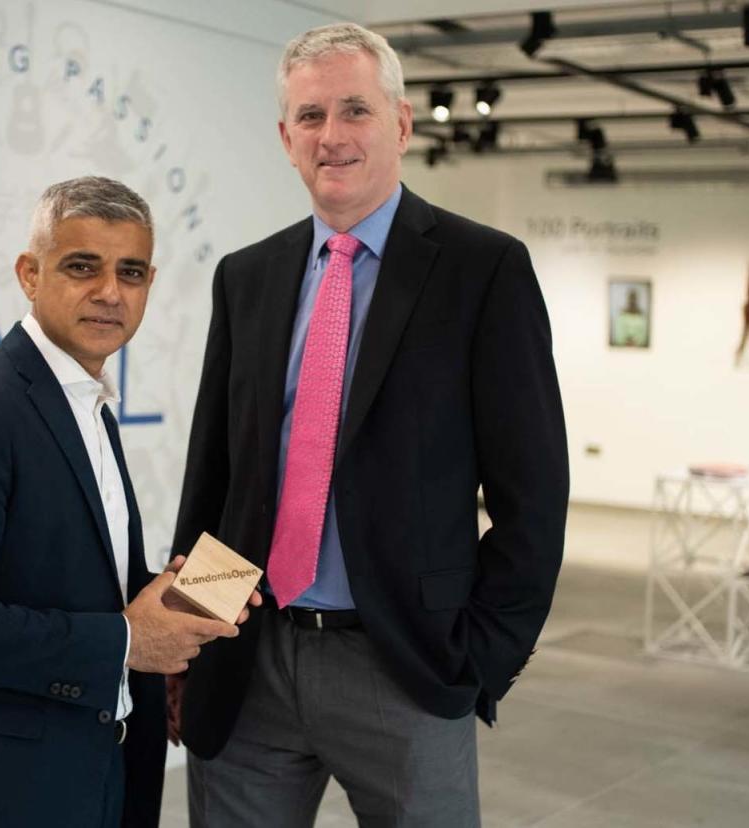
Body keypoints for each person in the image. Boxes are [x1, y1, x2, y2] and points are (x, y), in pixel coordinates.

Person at [169, 23, 570, 827]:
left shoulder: (482, 270)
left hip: (405, 667)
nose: (333, 136)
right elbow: (219, 479)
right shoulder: (246, 276)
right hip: (251, 659)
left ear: (402, 124)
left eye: (355, 110)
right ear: (286, 138)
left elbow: (535, 495)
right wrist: (194, 634)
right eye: (311, 117)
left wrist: (477, 660)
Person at [0, 176, 245, 828]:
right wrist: (129, 641)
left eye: (130, 272)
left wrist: (180, 602)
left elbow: (75, 583)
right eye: (81, 267)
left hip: (90, 776)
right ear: (29, 275)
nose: (109, 292)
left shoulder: (90, 409)